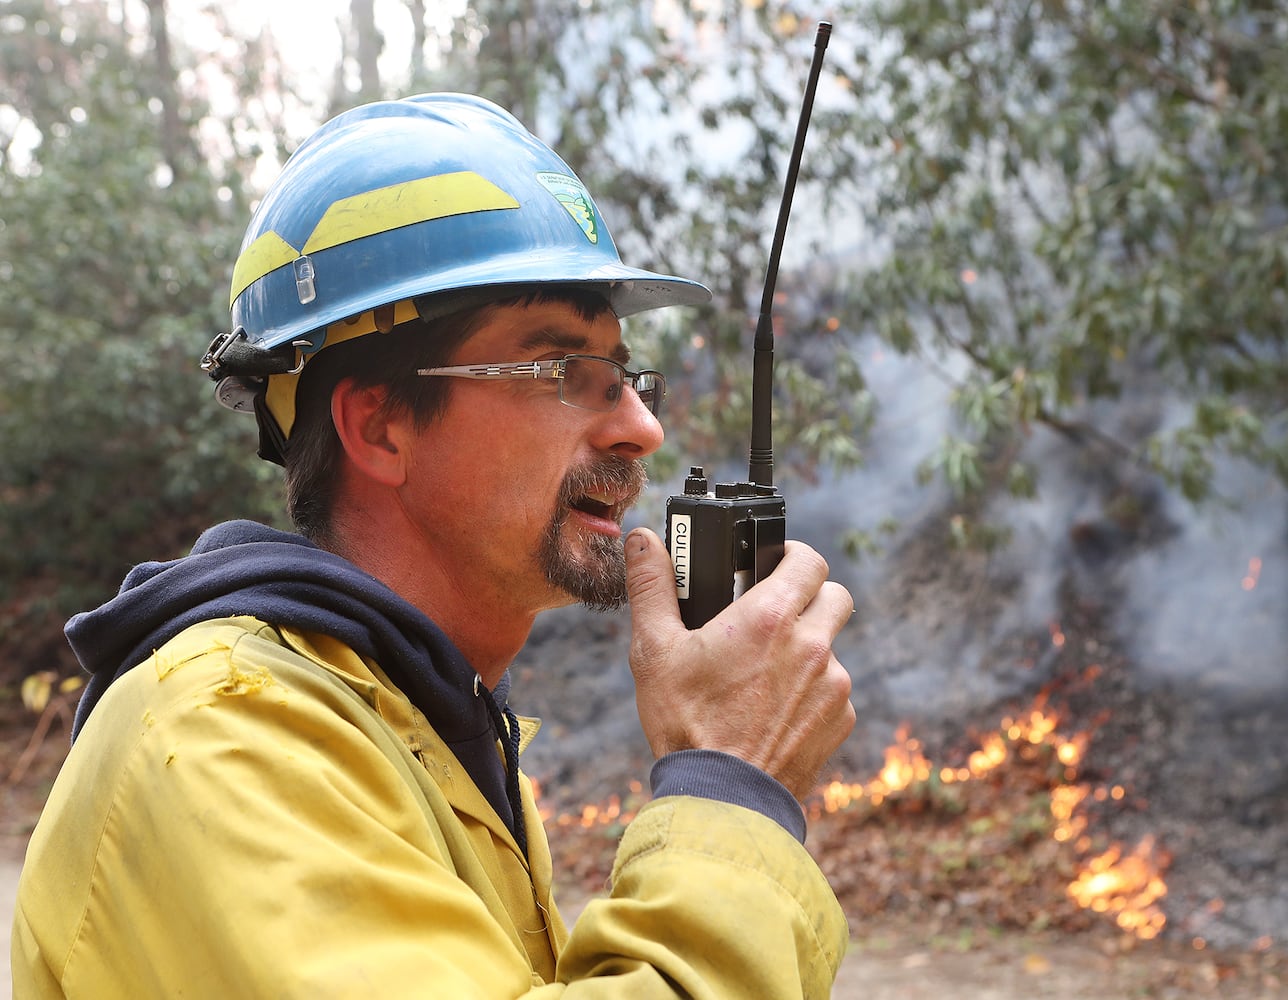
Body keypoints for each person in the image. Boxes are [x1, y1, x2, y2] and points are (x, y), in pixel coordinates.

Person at [12, 93, 856, 998]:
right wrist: (730, 786)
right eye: (567, 372)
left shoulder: (417, 726)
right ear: (379, 428)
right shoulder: (224, 740)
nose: (641, 426)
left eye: (625, 375)